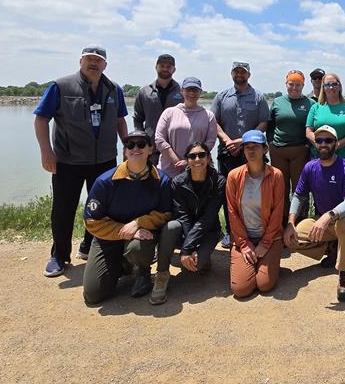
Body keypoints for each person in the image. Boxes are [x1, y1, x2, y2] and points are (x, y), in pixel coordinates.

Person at [33, 45, 129, 277]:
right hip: (68, 160)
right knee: (63, 209)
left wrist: (128, 147)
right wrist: (46, 152)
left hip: (105, 159)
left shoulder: (113, 89)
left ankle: (88, 246)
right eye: (89, 59)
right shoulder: (61, 86)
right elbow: (41, 119)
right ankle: (59, 255)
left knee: (101, 207)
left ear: (105, 64)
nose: (93, 63)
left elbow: (120, 121)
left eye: (98, 60)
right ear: (80, 61)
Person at [82, 131, 171, 305]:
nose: (135, 148)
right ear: (124, 151)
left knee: (138, 247)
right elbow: (91, 221)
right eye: (130, 145)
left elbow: (166, 214)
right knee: (93, 294)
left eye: (141, 144)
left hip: (142, 238)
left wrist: (138, 223)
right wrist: (125, 231)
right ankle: (122, 264)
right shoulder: (105, 182)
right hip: (107, 239)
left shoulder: (162, 180)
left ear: (150, 149)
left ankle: (142, 271)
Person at [284, 125, 345, 302]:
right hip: (326, 222)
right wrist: (290, 222)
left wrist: (328, 215)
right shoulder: (310, 167)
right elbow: (299, 195)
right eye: (319, 140)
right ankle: (333, 248)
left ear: (336, 144)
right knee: (293, 237)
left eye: (328, 140)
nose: (323, 144)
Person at [150, 141, 225, 305]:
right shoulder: (177, 182)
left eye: (201, 155)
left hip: (209, 230)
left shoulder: (219, 182)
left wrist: (189, 248)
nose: (197, 159)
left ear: (209, 158)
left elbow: (208, 217)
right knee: (171, 226)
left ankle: (202, 257)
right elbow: (182, 216)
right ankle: (161, 275)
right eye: (192, 156)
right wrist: (188, 247)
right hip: (184, 230)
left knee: (196, 267)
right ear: (187, 160)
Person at [212, 61, 270, 248]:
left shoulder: (258, 97)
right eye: (236, 72)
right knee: (229, 194)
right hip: (227, 151)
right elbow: (214, 122)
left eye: (242, 72)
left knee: (253, 192)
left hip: (251, 151)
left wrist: (243, 141)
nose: (239, 75)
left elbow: (263, 124)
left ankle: (256, 232)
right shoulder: (222, 96)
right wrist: (227, 140)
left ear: (248, 75)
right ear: (232, 74)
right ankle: (230, 232)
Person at [226, 130, 285, 298]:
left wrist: (265, 243)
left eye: (256, 147)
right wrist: (244, 244)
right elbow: (232, 212)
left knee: (264, 285)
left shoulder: (276, 175)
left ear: (265, 149)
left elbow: (277, 212)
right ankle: (257, 263)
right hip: (243, 238)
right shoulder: (234, 176)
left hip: (270, 237)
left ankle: (269, 262)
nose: (251, 151)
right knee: (241, 290)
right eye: (247, 147)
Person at [268, 70, 312, 223]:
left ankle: (300, 222)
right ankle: (281, 221)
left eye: (298, 84)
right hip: (278, 150)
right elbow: (270, 125)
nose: (294, 87)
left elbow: (313, 126)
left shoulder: (309, 103)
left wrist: (307, 146)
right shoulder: (278, 102)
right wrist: (271, 143)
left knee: (300, 189)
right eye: (291, 84)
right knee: (281, 188)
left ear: (303, 85)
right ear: (286, 84)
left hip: (299, 151)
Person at [154, 77, 217, 179]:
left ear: (200, 92)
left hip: (197, 170)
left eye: (195, 90)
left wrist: (190, 162)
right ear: (182, 91)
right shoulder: (169, 112)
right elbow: (159, 139)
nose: (192, 93)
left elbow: (210, 142)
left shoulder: (209, 115)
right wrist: (177, 161)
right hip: (169, 170)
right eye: (188, 90)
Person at [133, 54, 183, 164]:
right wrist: (142, 139)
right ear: (156, 67)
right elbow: (137, 118)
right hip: (151, 147)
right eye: (162, 66)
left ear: (174, 69)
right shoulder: (144, 91)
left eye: (169, 66)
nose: (165, 69)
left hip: (175, 147)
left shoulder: (182, 91)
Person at [305, 72, 345, 162]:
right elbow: (308, 132)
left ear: (339, 87)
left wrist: (336, 145)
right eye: (327, 85)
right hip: (319, 157)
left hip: (344, 157)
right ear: (323, 88)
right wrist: (322, 146)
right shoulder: (315, 107)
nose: (331, 87)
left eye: (334, 84)